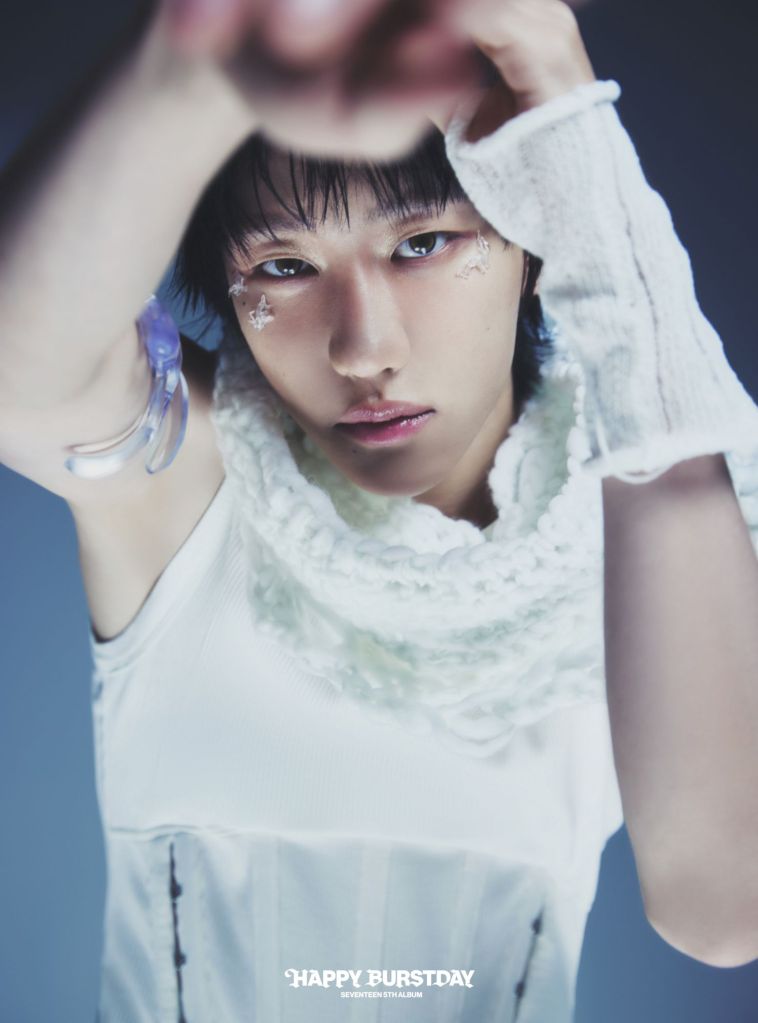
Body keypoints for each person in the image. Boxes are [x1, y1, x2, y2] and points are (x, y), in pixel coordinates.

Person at [1, 0, 757, 1020]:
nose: (363, 349)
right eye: (283, 267)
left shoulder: (651, 538)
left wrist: (587, 174)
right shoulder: (188, 481)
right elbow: (20, 382)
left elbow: (722, 902)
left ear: (535, 238)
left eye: (423, 243)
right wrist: (189, 67)